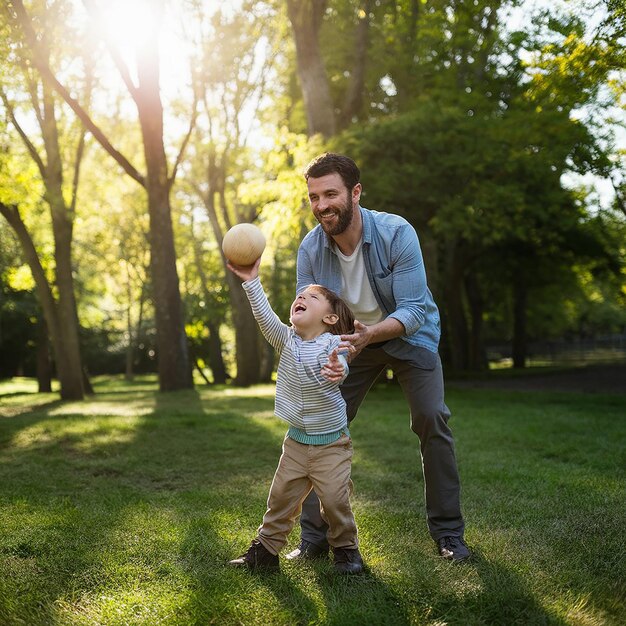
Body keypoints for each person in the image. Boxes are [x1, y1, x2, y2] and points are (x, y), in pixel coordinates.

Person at [287, 152, 470, 562]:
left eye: (330, 194)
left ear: (355, 192)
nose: (321, 206)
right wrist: (332, 353)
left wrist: (370, 334)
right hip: (349, 343)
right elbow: (309, 318)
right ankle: (314, 538)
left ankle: (448, 535)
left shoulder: (395, 232)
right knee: (319, 424)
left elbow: (414, 308)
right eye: (314, 197)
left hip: (409, 336)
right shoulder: (311, 249)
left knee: (431, 417)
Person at [226, 255, 364, 574]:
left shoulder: (333, 343)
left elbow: (340, 363)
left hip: (332, 445)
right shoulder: (286, 340)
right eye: (300, 296)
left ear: (329, 319)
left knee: (334, 501)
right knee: (280, 500)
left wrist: (337, 369)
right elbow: (265, 317)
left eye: (312, 297)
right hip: (296, 445)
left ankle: (345, 550)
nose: (300, 297)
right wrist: (251, 280)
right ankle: (266, 552)